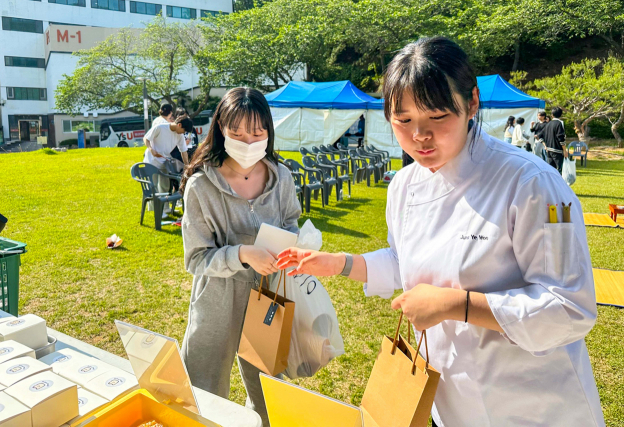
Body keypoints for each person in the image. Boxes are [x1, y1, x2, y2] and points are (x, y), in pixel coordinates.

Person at [277, 37, 604, 427]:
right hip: (448, 404)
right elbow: (406, 261)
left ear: (472, 103)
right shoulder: (404, 185)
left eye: (437, 116)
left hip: (531, 406)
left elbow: (570, 308)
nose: (420, 135)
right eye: (403, 120)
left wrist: (457, 305)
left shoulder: (537, 185)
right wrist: (339, 263)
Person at [179, 87, 301, 427]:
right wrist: (243, 253)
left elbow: (291, 220)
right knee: (204, 388)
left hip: (268, 295)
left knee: (267, 390)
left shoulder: (282, 177)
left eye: (257, 132)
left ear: (269, 132)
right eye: (237, 133)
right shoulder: (201, 185)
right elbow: (196, 259)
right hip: (218, 298)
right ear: (221, 130)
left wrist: (292, 243)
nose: (248, 142)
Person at [143, 116, 192, 215]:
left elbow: (183, 151)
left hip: (164, 162)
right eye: (183, 130)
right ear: (179, 125)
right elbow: (146, 138)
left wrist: (187, 165)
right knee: (154, 187)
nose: (183, 133)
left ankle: (165, 208)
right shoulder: (160, 127)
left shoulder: (179, 136)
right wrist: (151, 149)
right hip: (151, 161)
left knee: (165, 186)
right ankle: (158, 211)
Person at [541, 106, 567, 174]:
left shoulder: (548, 124)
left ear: (552, 115)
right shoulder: (559, 124)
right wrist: (564, 150)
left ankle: (550, 183)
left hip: (549, 150)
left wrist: (545, 146)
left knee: (551, 170)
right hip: (557, 151)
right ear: (561, 115)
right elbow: (561, 138)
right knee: (558, 170)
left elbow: (541, 136)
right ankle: (558, 184)